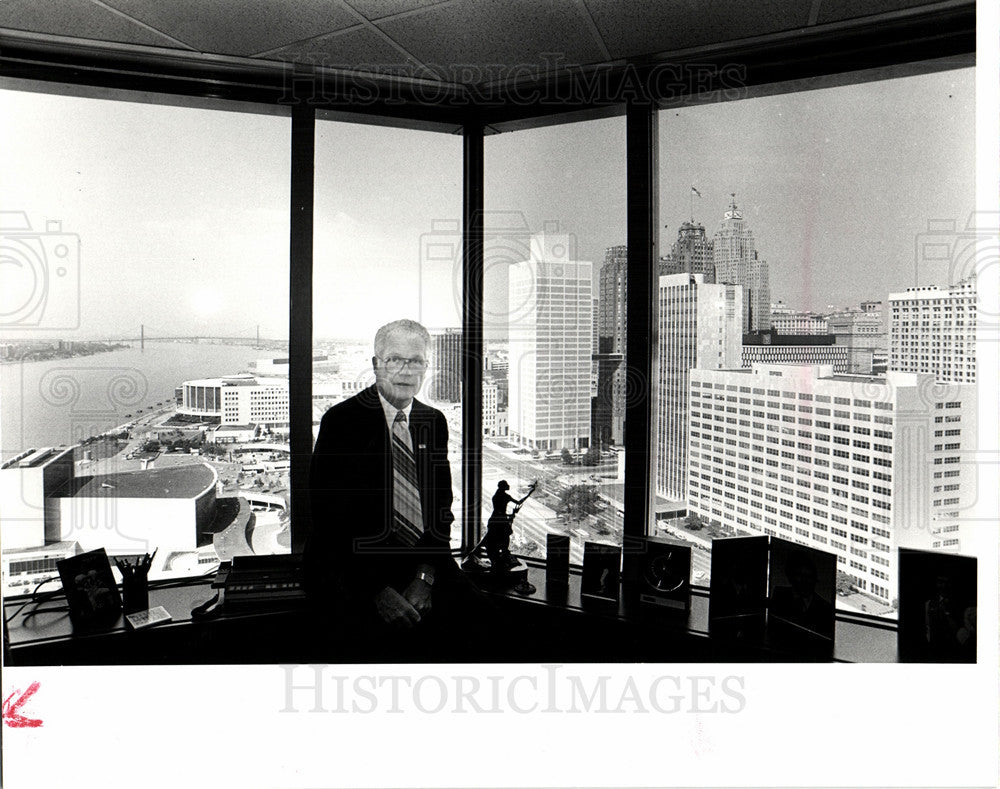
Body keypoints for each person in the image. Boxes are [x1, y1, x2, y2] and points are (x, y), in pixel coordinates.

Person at [306, 318, 484, 661]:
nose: (405, 370)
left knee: (487, 625)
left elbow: (440, 507)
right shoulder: (342, 422)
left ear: (426, 367)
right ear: (376, 364)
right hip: (354, 566)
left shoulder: (433, 422)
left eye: (415, 360)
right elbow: (328, 521)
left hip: (422, 560)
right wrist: (376, 591)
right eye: (394, 359)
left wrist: (425, 576)